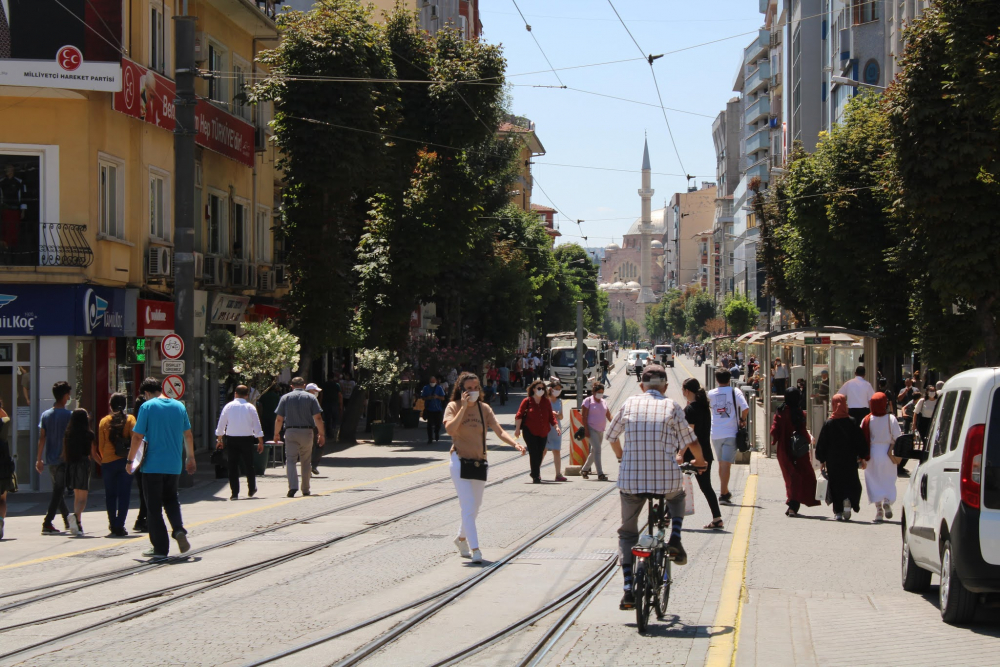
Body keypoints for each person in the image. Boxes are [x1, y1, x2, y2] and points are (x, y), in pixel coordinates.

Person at [607, 364, 707, 610]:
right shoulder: (672, 406)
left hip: (630, 481)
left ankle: (628, 588)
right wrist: (701, 462)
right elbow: (690, 440)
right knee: (677, 496)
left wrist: (622, 459)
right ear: (665, 387)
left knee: (628, 533)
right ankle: (675, 537)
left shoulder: (629, 403)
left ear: (641, 386)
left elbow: (610, 436)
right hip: (665, 479)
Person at [444, 372, 525, 563]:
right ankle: (476, 549)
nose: (472, 391)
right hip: (459, 461)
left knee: (476, 506)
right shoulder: (453, 406)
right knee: (468, 506)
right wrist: (463, 408)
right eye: (468, 389)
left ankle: (461, 538)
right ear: (461, 390)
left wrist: (515, 444)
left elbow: (498, 430)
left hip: (479, 462)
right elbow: (450, 430)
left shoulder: (484, 408)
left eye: (476, 388)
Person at [128, 377, 195, 559]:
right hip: (174, 465)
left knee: (154, 507)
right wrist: (191, 458)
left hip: (152, 466)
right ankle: (179, 529)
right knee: (172, 500)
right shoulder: (179, 406)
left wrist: (130, 461)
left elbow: (136, 437)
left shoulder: (147, 407)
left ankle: (160, 548)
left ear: (147, 393)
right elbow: (187, 435)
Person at [814, 394, 867, 521]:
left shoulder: (829, 423)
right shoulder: (852, 422)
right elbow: (860, 441)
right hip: (849, 459)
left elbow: (822, 443)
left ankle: (838, 511)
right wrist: (863, 456)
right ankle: (848, 500)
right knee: (850, 481)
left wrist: (822, 460)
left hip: (833, 461)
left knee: (836, 484)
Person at [679, 378, 723, 530]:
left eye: (682, 389)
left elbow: (688, 435)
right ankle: (717, 518)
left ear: (687, 391)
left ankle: (667, 516)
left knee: (677, 486)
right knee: (706, 487)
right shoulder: (704, 407)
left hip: (692, 455)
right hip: (706, 453)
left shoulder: (690, 410)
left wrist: (680, 454)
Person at [771, 387, 819, 517]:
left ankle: (792, 503)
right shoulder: (799, 413)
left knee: (790, 476)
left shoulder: (780, 412)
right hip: (799, 450)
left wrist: (775, 441)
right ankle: (794, 503)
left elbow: (774, 430)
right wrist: (809, 440)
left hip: (784, 450)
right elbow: (803, 431)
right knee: (802, 475)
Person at [273, 377, 325, 498]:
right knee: (306, 461)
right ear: (304, 385)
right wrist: (321, 434)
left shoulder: (285, 398)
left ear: (291, 386)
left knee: (290, 460)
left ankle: (293, 487)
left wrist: (276, 433)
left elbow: (279, 419)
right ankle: (305, 489)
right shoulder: (311, 398)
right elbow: (317, 418)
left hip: (290, 431)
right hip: (306, 432)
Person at [36, 381, 74, 535]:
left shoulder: (46, 415)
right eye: (68, 395)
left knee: (58, 490)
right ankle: (47, 522)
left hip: (51, 459)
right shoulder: (69, 416)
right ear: (65, 396)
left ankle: (67, 521)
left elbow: (42, 438)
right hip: (63, 459)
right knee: (58, 490)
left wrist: (39, 459)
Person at [215, 385, 265, 500]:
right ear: (247, 395)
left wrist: (219, 439)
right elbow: (257, 425)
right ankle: (251, 488)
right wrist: (260, 441)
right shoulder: (250, 407)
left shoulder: (228, 406)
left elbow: (221, 423)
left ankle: (234, 493)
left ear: (235, 394)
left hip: (231, 439)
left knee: (232, 466)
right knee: (249, 465)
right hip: (247, 439)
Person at [707, 369, 749, 505]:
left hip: (715, 433)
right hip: (730, 433)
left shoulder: (711, 393)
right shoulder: (735, 391)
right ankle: (723, 494)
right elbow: (745, 408)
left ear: (716, 379)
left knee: (721, 463)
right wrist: (742, 420)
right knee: (726, 464)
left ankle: (724, 491)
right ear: (729, 378)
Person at [97, 393, 136, 536]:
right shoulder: (130, 419)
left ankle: (112, 523)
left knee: (110, 495)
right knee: (124, 494)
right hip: (126, 461)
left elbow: (101, 446)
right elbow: (136, 440)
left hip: (108, 462)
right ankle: (120, 525)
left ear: (110, 405)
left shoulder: (104, 421)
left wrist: (105, 457)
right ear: (125, 405)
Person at [861, 393, 901, 522]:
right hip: (888, 453)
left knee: (873, 481)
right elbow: (898, 437)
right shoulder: (891, 419)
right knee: (888, 479)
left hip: (872, 453)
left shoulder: (867, 419)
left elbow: (861, 438)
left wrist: (861, 457)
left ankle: (878, 510)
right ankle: (888, 500)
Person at [514, 379, 560, 484]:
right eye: (539, 388)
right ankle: (536, 475)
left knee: (540, 453)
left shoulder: (546, 401)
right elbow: (519, 415)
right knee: (534, 452)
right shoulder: (527, 401)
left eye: (543, 388)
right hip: (529, 431)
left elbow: (550, 416)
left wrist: (556, 426)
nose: (541, 390)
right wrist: (517, 430)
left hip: (543, 431)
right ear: (534, 389)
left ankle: (534, 473)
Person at [61, 408, 94, 536]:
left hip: (72, 465)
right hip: (83, 464)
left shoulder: (68, 433)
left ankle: (78, 524)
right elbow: (92, 453)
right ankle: (75, 516)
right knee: (83, 498)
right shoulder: (88, 434)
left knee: (76, 495)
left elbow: (65, 452)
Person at [581, 383, 613, 481]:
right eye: (598, 392)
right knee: (598, 450)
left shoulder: (604, 402)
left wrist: (616, 423)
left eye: (602, 392)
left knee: (595, 451)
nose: (600, 394)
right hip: (591, 428)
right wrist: (586, 429)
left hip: (600, 430)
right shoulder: (588, 401)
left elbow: (608, 415)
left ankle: (585, 469)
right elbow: (584, 416)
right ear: (594, 392)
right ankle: (600, 473)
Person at [544, 380, 567, 482]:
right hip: (546, 427)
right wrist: (550, 413)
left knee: (556, 450)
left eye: (559, 389)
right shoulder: (545, 400)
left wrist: (558, 415)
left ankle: (558, 474)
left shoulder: (559, 401)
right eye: (556, 389)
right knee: (543, 450)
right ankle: (536, 472)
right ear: (551, 389)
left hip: (556, 427)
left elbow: (561, 416)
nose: (558, 391)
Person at [0, 398, 13, 539]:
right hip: (3, 465)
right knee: (2, 499)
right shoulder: (4, 423)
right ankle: (0, 521)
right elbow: (6, 416)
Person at [421, 376, 446, 443]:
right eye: (431, 382)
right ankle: (430, 438)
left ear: (436, 382)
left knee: (438, 424)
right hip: (429, 409)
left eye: (433, 381)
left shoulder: (439, 388)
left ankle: (436, 433)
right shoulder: (426, 388)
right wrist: (428, 398)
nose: (432, 383)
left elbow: (443, 398)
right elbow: (423, 397)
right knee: (429, 424)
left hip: (438, 409)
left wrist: (437, 397)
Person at [305, 383, 324, 475]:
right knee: (318, 445)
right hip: (312, 426)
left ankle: (311, 466)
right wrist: (321, 432)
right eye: (315, 391)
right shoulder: (312, 400)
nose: (317, 393)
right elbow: (318, 417)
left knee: (314, 446)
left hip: (308, 426)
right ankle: (311, 466)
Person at [320, 374, 343, 444]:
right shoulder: (336, 385)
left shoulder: (324, 385)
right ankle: (334, 431)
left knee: (327, 419)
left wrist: (320, 404)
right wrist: (341, 404)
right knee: (335, 418)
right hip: (334, 403)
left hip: (326, 403)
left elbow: (321, 395)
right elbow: (340, 395)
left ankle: (328, 433)